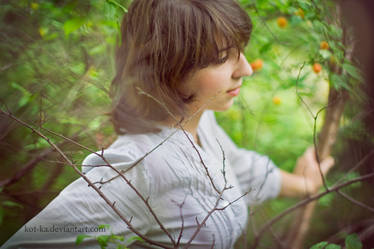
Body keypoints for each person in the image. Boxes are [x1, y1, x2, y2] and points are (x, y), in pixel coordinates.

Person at [1, 0, 335, 248]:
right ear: (169, 67)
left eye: (241, 52)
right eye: (222, 58)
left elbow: (238, 168)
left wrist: (305, 185)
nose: (246, 69)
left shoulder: (200, 123)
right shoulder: (137, 167)